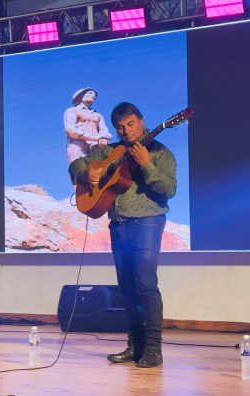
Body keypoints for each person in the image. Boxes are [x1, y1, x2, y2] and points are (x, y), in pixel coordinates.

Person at [68, 102, 176, 368]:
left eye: (130, 124)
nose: (126, 131)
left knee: (145, 284)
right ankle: (134, 346)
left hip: (148, 222)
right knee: (127, 287)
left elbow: (169, 189)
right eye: (120, 127)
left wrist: (147, 165)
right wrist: (87, 170)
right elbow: (76, 166)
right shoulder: (110, 151)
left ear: (141, 121)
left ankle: (153, 350)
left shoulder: (161, 153)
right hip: (118, 223)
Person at [64, 87, 112, 164]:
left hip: (95, 146)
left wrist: (104, 138)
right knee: (78, 170)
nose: (93, 96)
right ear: (80, 96)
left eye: (94, 95)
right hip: (77, 145)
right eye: (90, 93)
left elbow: (104, 131)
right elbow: (70, 130)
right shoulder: (72, 111)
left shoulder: (98, 115)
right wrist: (95, 138)